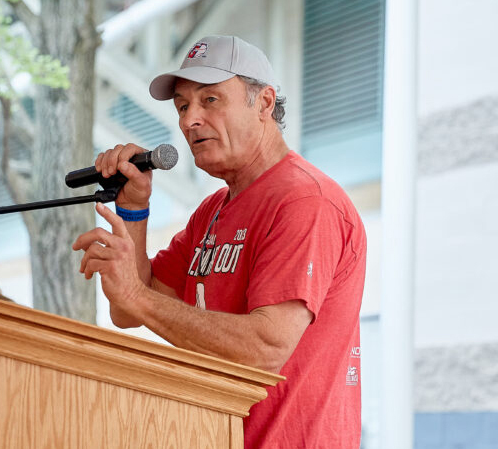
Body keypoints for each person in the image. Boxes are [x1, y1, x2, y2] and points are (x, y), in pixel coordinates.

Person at [72, 35, 366, 448]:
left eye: (210, 100)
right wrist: (134, 210)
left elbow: (265, 349)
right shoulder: (211, 210)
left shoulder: (304, 200)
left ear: (264, 102)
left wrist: (138, 297)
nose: (190, 119)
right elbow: (128, 310)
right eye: (182, 105)